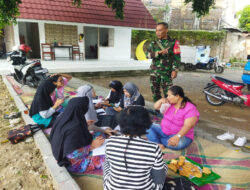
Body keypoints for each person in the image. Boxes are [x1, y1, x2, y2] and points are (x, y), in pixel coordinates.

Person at [104, 106, 168, 190]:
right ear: (145, 124)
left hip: (112, 188)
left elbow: (109, 165)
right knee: (164, 166)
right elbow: (159, 180)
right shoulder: (153, 148)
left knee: (106, 163)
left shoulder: (110, 141)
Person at [50, 97, 111, 173]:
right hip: (73, 162)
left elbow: (69, 132)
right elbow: (71, 155)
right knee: (109, 158)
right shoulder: (74, 127)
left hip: (64, 149)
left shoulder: (63, 117)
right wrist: (92, 146)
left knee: (98, 133)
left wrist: (85, 124)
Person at [146, 86, 199, 150]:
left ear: (177, 96)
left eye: (169, 96)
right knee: (146, 125)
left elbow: (188, 125)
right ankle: (159, 143)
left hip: (181, 135)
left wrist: (177, 136)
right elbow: (156, 107)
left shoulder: (190, 108)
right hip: (164, 130)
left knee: (179, 145)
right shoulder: (169, 104)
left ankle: (156, 141)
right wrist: (161, 100)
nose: (167, 98)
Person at [147, 22, 181, 102]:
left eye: (160, 30)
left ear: (166, 30)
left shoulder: (174, 42)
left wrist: (175, 70)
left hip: (167, 73)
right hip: (154, 72)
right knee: (155, 93)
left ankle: (170, 111)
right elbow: (147, 55)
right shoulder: (153, 43)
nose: (157, 33)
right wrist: (158, 53)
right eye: (156, 31)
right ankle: (158, 110)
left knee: (169, 94)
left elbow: (177, 57)